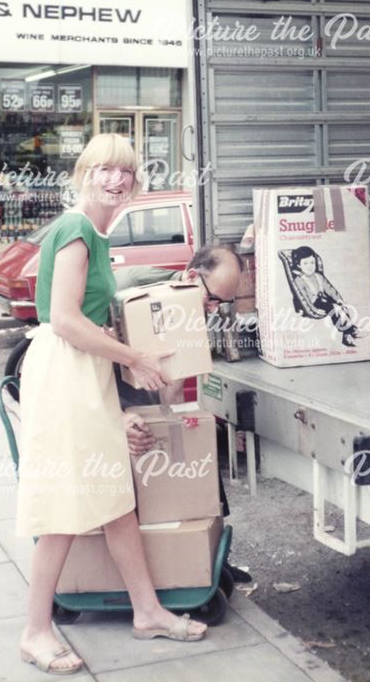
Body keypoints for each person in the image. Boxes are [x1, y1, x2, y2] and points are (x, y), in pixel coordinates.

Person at [15, 133, 207, 677]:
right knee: (64, 505)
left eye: (125, 171)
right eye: (105, 169)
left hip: (83, 369)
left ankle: (146, 611)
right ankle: (34, 631)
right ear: (85, 173)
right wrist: (134, 357)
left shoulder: (96, 234)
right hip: (65, 372)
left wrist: (123, 355)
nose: (116, 179)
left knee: (114, 495)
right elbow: (65, 319)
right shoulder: (76, 228)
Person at [117, 245, 252, 583]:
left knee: (201, 457)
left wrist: (180, 430)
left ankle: (212, 558)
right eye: (213, 299)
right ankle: (163, 566)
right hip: (113, 403)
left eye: (223, 302)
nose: (214, 309)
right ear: (193, 277)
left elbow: (174, 388)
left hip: (149, 403)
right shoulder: (131, 287)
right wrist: (117, 420)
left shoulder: (195, 310)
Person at [288, 245, 358, 347]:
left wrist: (338, 299)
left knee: (341, 307)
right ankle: (349, 330)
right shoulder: (299, 280)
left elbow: (329, 289)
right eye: (305, 263)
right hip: (309, 304)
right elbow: (304, 299)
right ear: (299, 265)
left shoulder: (318, 276)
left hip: (322, 299)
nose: (310, 266)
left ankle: (347, 332)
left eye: (312, 262)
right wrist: (314, 310)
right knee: (333, 308)